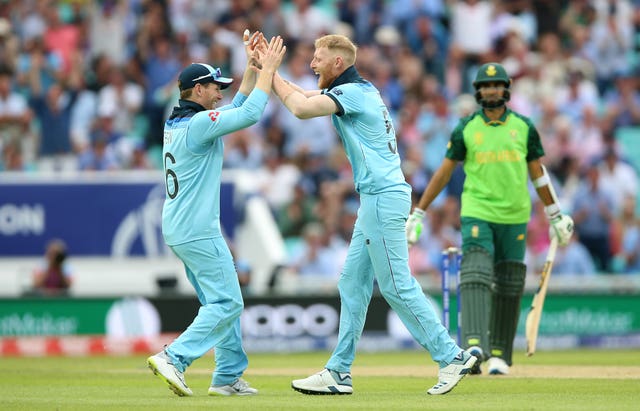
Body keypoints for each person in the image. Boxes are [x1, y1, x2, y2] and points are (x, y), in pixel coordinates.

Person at [272, 34, 476, 396]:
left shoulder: (352, 94)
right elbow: (302, 96)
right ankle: (338, 372)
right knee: (352, 283)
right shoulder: (359, 91)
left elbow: (301, 109)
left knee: (396, 285)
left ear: (338, 63)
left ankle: (451, 356)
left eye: (318, 59)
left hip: (382, 197)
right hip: (376, 199)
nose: (312, 64)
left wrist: (268, 72)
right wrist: (267, 71)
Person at [405, 62, 574, 375]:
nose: (491, 90)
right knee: (476, 270)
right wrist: (419, 212)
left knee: (509, 282)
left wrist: (555, 214)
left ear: (505, 89)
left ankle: (499, 353)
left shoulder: (523, 127)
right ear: (478, 91)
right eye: (485, 86)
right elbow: (444, 173)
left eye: (496, 85)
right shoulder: (467, 127)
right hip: (478, 210)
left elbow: (538, 174)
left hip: (515, 214)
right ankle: (473, 344)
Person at [146, 31, 286, 397]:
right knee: (228, 302)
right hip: (197, 229)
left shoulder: (180, 122)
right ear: (196, 91)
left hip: (180, 227)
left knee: (218, 301)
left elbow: (236, 108)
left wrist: (252, 68)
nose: (220, 92)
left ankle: (226, 376)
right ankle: (174, 357)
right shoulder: (197, 126)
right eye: (214, 87)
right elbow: (251, 113)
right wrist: (270, 70)